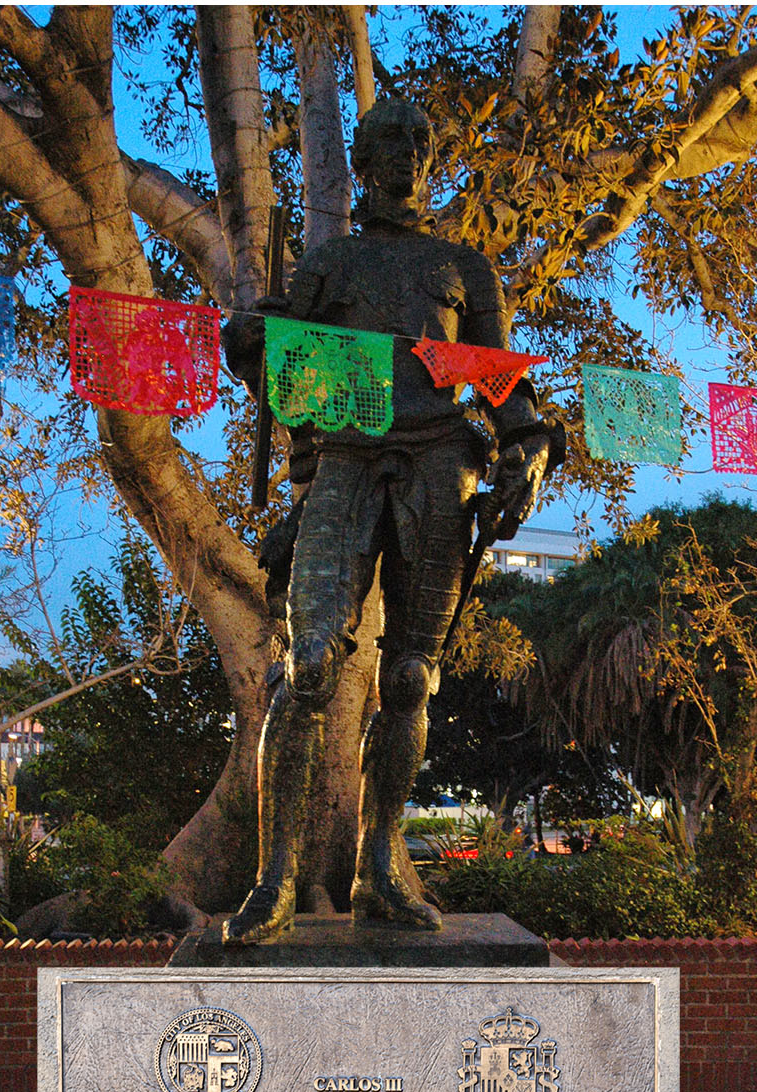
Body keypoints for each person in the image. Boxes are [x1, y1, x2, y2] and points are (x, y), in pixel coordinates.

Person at [219, 99, 564, 943]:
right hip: (344, 459)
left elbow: (499, 380)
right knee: (308, 665)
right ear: (363, 161)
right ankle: (275, 880)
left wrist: (527, 447)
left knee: (410, 677)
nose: (407, 154)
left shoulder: (462, 267)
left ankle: (377, 868)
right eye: (390, 143)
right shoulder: (329, 262)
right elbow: (282, 379)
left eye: (419, 141)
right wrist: (250, 340)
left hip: (440, 464)